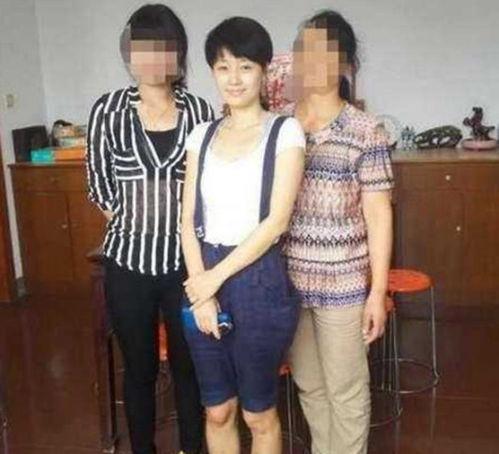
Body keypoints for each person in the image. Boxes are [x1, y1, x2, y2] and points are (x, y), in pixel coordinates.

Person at [86, 4, 214, 454]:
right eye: (143, 47)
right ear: (130, 53)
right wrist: (139, 226)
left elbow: (208, 184)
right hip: (128, 265)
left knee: (188, 366)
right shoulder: (108, 110)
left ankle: (191, 447)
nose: (153, 58)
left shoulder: (199, 111)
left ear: (178, 54)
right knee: (139, 368)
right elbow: (99, 184)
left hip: (185, 266)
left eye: (164, 47)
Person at [180, 17, 305, 454]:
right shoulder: (201, 136)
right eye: (223, 67)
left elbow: (276, 222)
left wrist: (212, 281)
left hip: (259, 279)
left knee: (257, 412)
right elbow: (187, 220)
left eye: (245, 66)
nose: (234, 78)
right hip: (203, 271)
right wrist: (201, 291)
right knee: (218, 410)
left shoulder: (284, 132)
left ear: (264, 71)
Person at [283, 10, 394, 454]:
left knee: (346, 389)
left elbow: (379, 214)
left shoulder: (366, 131)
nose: (310, 59)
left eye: (323, 51)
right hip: (289, 283)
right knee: (309, 385)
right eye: (303, 49)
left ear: (344, 62)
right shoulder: (280, 125)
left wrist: (377, 292)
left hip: (344, 283)